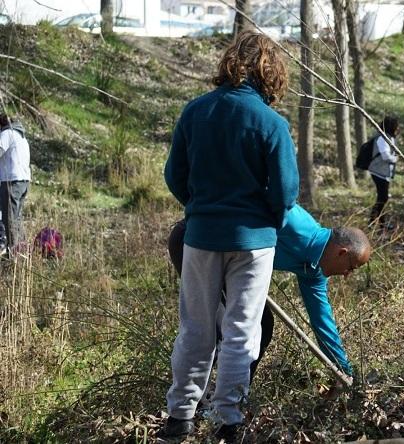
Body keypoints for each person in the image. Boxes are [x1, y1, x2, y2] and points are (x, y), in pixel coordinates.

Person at [160, 31, 299, 442]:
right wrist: (266, 218)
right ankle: (229, 420)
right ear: (271, 73)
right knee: (241, 329)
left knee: (196, 328)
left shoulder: (195, 111)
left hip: (201, 236)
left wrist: (200, 208)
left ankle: (179, 417)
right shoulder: (272, 123)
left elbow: (174, 176)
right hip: (253, 242)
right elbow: (287, 191)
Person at [167, 204, 372, 385]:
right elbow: (246, 201)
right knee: (216, 327)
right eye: (351, 267)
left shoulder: (314, 270)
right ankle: (197, 400)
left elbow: (322, 323)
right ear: (341, 253)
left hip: (229, 263)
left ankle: (235, 393)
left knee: (261, 324)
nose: (347, 275)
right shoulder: (293, 221)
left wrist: (344, 371)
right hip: (196, 241)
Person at [0, 112, 31, 256]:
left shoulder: (7, 133)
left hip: (12, 181)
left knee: (9, 219)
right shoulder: (21, 135)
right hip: (24, 181)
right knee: (16, 218)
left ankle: (15, 255)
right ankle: (21, 251)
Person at [368, 116, 399, 224]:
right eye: (396, 126)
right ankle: (378, 221)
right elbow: (385, 156)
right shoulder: (382, 138)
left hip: (384, 173)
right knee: (383, 197)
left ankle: (377, 221)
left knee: (383, 198)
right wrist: (395, 159)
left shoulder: (390, 137)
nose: (397, 128)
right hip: (378, 172)